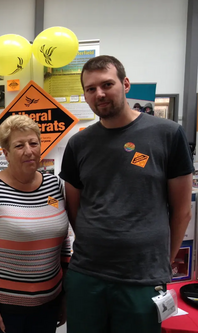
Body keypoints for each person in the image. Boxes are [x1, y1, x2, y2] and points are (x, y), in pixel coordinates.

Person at [60, 55, 193, 333]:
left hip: (143, 277)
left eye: (107, 84)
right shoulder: (79, 144)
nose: (100, 93)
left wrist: (163, 260)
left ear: (126, 84)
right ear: (84, 94)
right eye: (91, 88)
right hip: (87, 274)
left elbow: (181, 210)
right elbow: (74, 208)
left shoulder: (168, 134)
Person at [0, 115, 71, 333]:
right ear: (6, 153)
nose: (29, 150)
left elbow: (64, 245)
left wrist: (64, 296)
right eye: (19, 145)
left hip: (49, 302)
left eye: (33, 143)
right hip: (4, 308)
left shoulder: (54, 185)